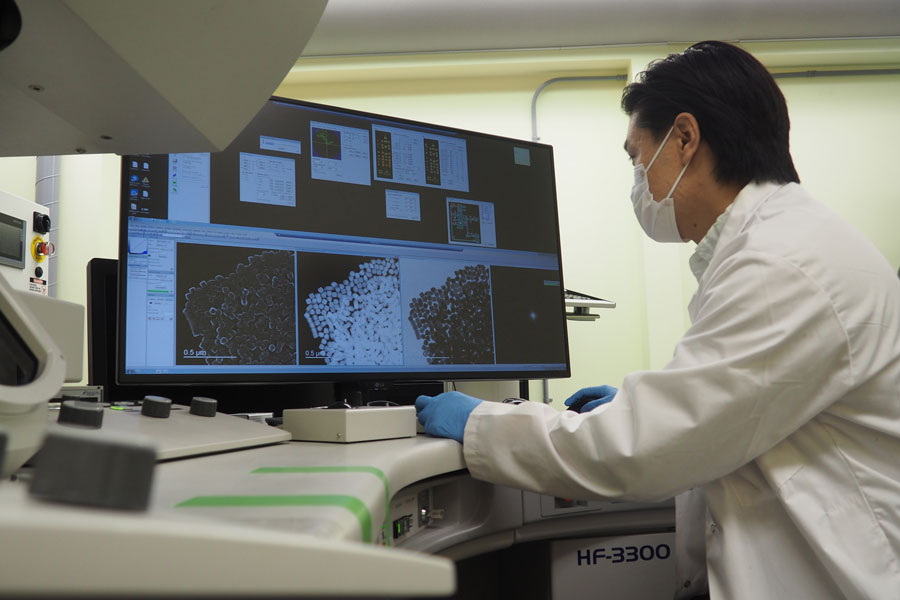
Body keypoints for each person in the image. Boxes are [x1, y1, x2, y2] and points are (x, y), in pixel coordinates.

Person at [415, 41, 900, 599]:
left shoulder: (781, 265)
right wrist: (637, 407)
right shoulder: (780, 244)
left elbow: (642, 450)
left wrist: (482, 422)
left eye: (636, 155)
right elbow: (723, 419)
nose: (638, 177)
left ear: (686, 138)